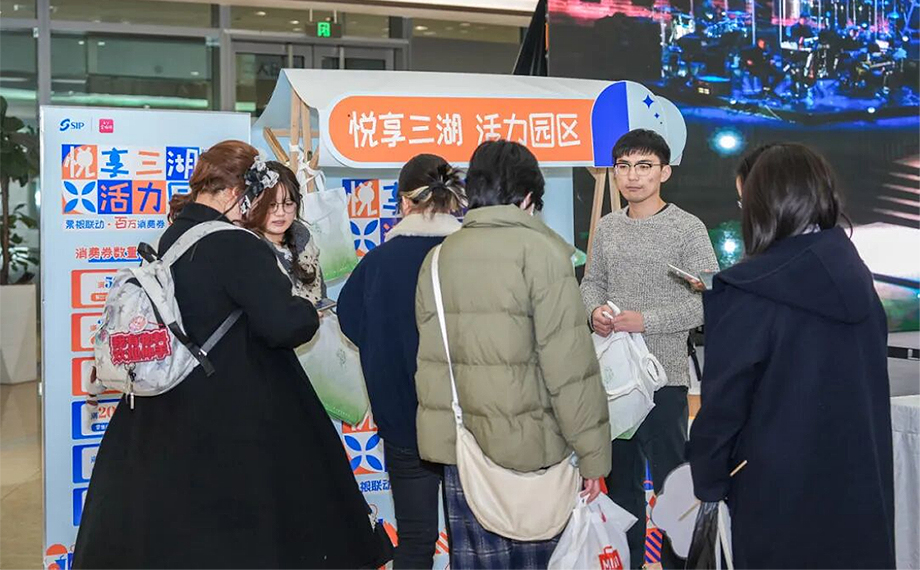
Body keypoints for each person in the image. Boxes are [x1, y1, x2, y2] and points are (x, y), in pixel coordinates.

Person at [73, 141, 386, 569]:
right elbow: (283, 325)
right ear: (238, 192)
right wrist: (305, 308)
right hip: (234, 412)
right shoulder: (235, 244)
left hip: (170, 404)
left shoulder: (173, 237)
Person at [688, 143, 895, 568]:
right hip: (859, 488)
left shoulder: (747, 293)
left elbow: (724, 406)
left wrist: (708, 480)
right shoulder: (856, 275)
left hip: (776, 497)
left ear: (760, 205)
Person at [414, 140, 611, 569]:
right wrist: (593, 455)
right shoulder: (543, 253)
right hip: (536, 454)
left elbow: (434, 365)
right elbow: (568, 368)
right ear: (527, 198)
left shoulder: (438, 258)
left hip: (467, 456)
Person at [580, 129, 718, 568]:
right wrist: (594, 311)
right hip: (614, 383)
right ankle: (630, 561)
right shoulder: (608, 227)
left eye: (644, 166)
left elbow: (707, 301)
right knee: (621, 490)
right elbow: (591, 283)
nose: (632, 176)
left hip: (665, 380)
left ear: (665, 172)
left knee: (673, 489)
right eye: (623, 167)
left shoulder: (687, 228)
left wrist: (647, 321)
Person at [337, 154, 465, 569]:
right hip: (470, 421)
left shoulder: (378, 262)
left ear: (404, 202)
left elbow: (351, 321)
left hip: (402, 420)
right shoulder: (471, 258)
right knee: (473, 540)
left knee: (414, 541)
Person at [242, 160, 326, 304]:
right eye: (271, 205)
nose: (280, 213)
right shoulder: (247, 245)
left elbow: (321, 293)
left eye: (288, 204)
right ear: (253, 204)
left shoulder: (303, 237)